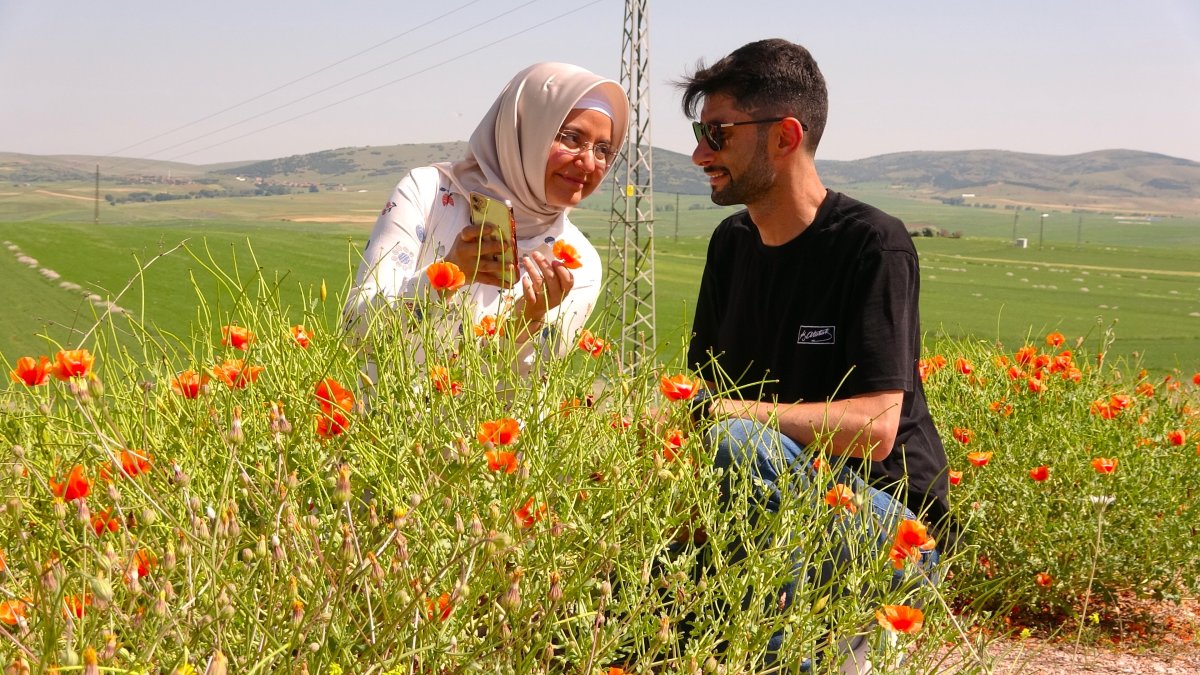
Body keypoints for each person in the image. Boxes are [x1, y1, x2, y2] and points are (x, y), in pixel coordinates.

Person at [676, 39, 953, 669]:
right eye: (699, 133)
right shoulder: (730, 246)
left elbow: (877, 430)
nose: (699, 154)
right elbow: (698, 407)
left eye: (717, 133)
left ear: (785, 136)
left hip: (889, 526)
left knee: (741, 444)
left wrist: (732, 416)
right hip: (769, 510)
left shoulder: (872, 245)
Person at [344, 62, 629, 376]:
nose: (589, 162)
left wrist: (525, 324)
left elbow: (525, 395)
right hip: (385, 421)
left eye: (603, 149)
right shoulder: (428, 193)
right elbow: (356, 331)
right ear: (524, 131)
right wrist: (445, 276)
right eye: (572, 138)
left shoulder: (577, 261)